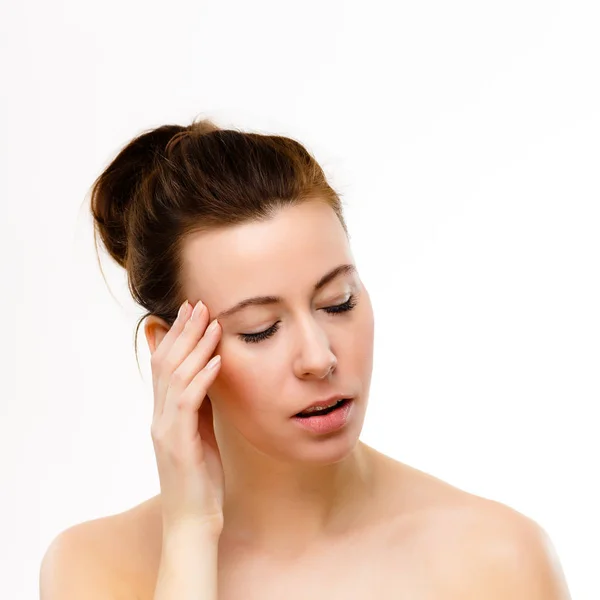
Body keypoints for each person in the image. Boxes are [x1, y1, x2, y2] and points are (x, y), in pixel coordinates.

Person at [39, 118, 571, 599]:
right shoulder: (94, 568)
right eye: (259, 329)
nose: (319, 358)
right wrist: (189, 535)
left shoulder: (498, 560)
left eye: (338, 301)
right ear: (171, 348)